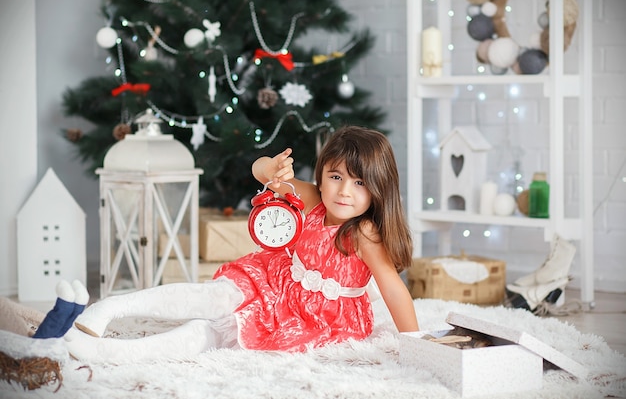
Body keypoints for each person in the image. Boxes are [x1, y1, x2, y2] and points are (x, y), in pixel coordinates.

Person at [65, 126, 419, 363]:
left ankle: (108, 353)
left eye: (359, 182)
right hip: (275, 280)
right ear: (322, 176)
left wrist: (417, 345)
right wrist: (274, 168)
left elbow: (392, 289)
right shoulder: (313, 199)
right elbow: (259, 171)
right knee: (210, 297)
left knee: (209, 334)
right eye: (336, 176)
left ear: (379, 187)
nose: (344, 191)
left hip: (316, 316)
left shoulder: (366, 233)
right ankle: (110, 308)